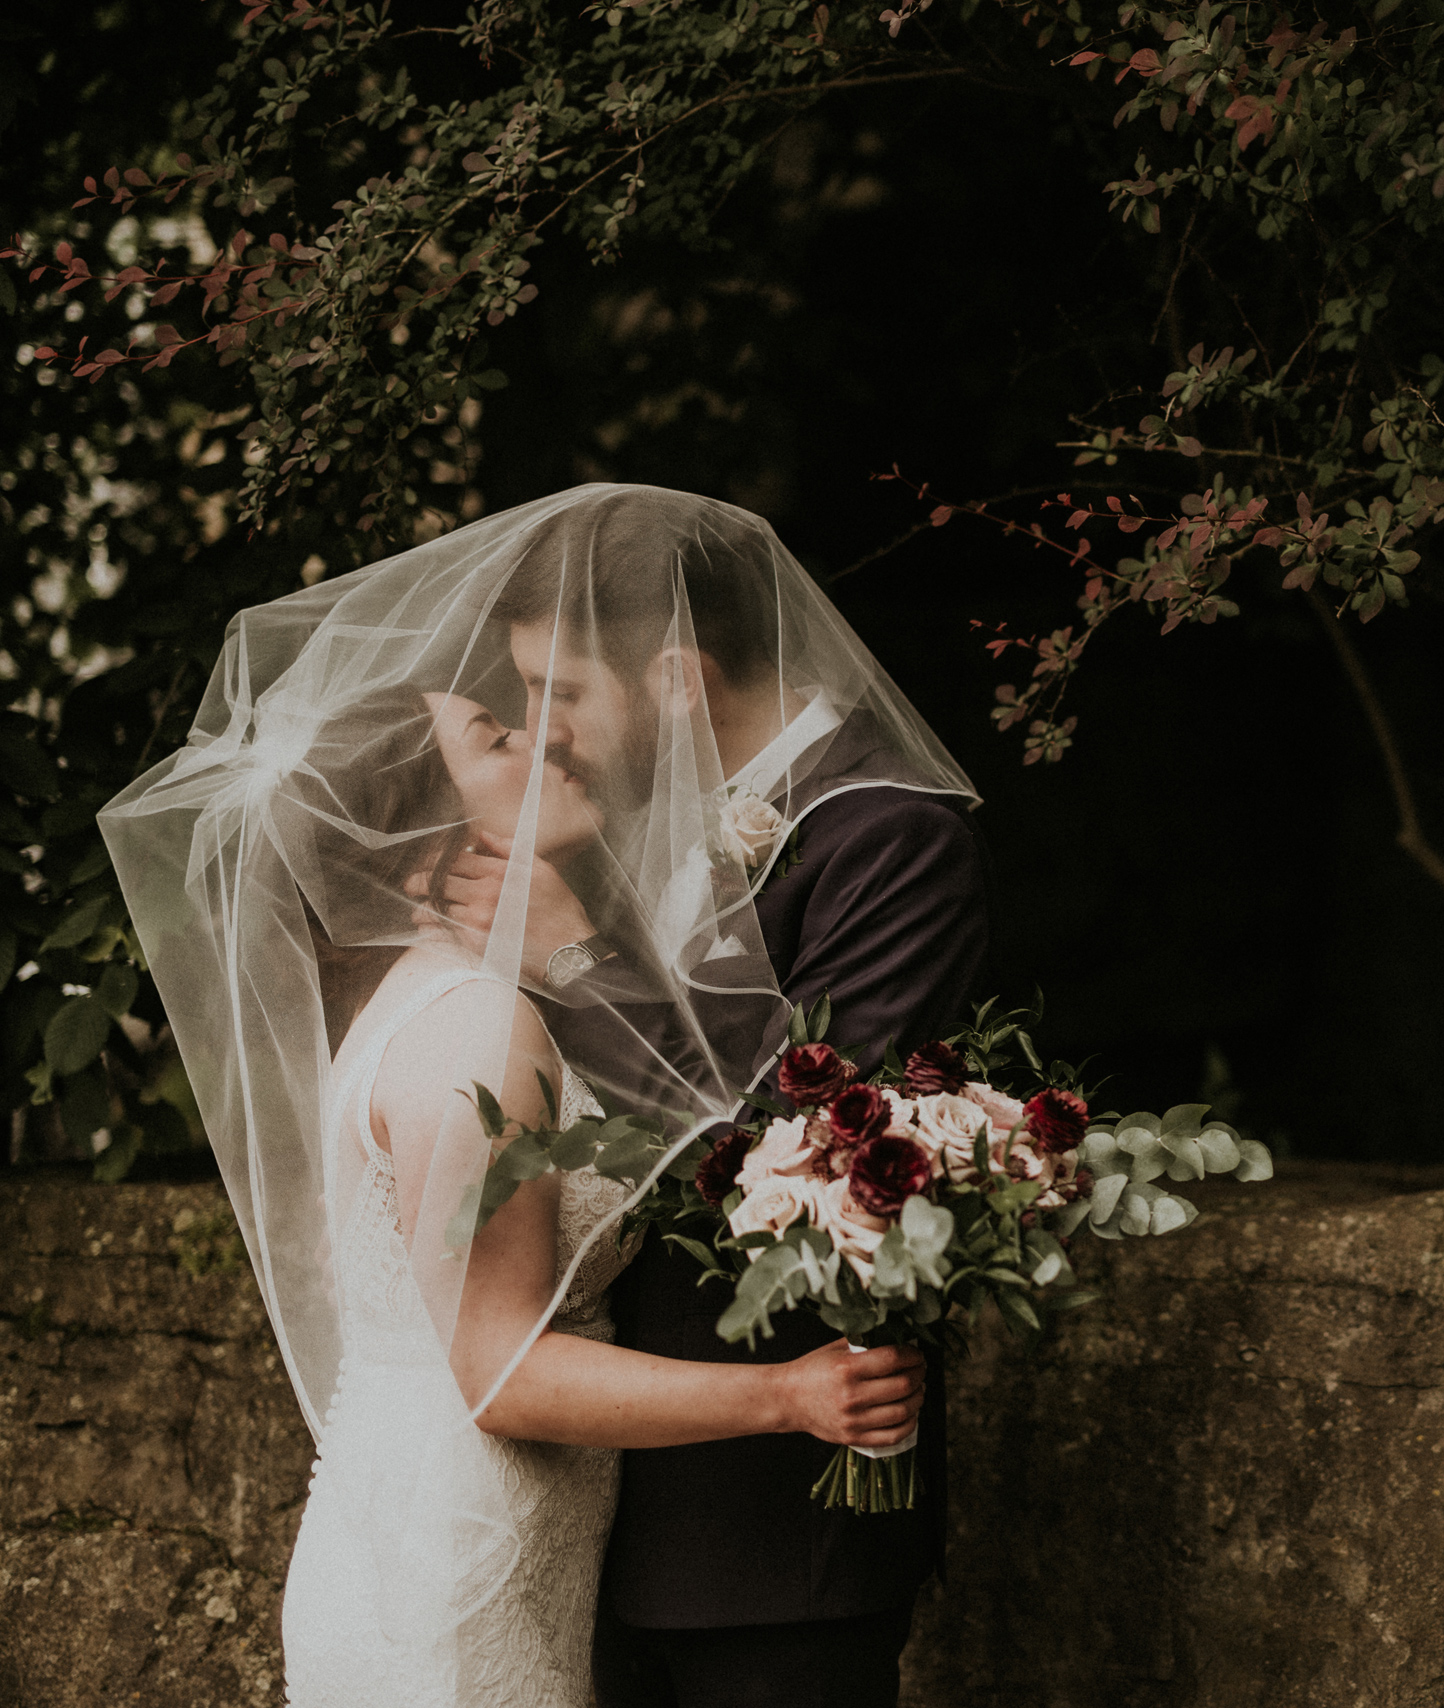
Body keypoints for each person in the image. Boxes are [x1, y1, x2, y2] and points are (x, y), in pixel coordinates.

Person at [96, 485, 984, 1708]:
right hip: (573, 1494)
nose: (544, 734)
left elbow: (833, 1143)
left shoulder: (886, 834)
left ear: (674, 676)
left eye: (556, 698)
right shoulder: (533, 905)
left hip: (770, 1520)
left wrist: (578, 962)